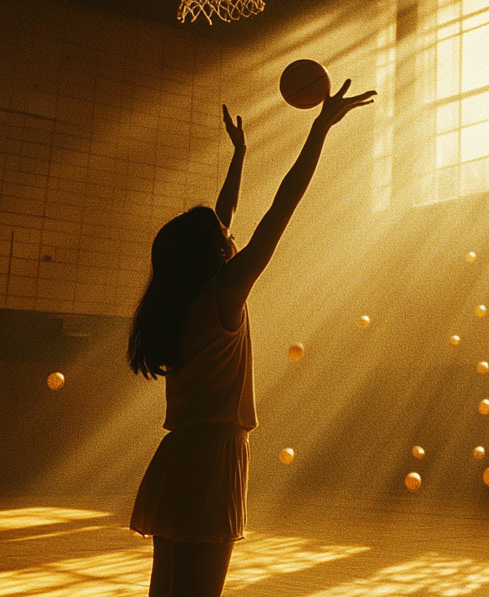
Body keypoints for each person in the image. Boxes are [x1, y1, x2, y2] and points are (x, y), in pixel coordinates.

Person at [126, 80, 375, 597]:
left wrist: (240, 157)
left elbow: (225, 218)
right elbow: (280, 209)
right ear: (214, 253)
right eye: (222, 237)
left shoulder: (178, 303)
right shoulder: (222, 295)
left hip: (177, 454)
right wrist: (318, 131)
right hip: (214, 454)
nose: (229, 233)